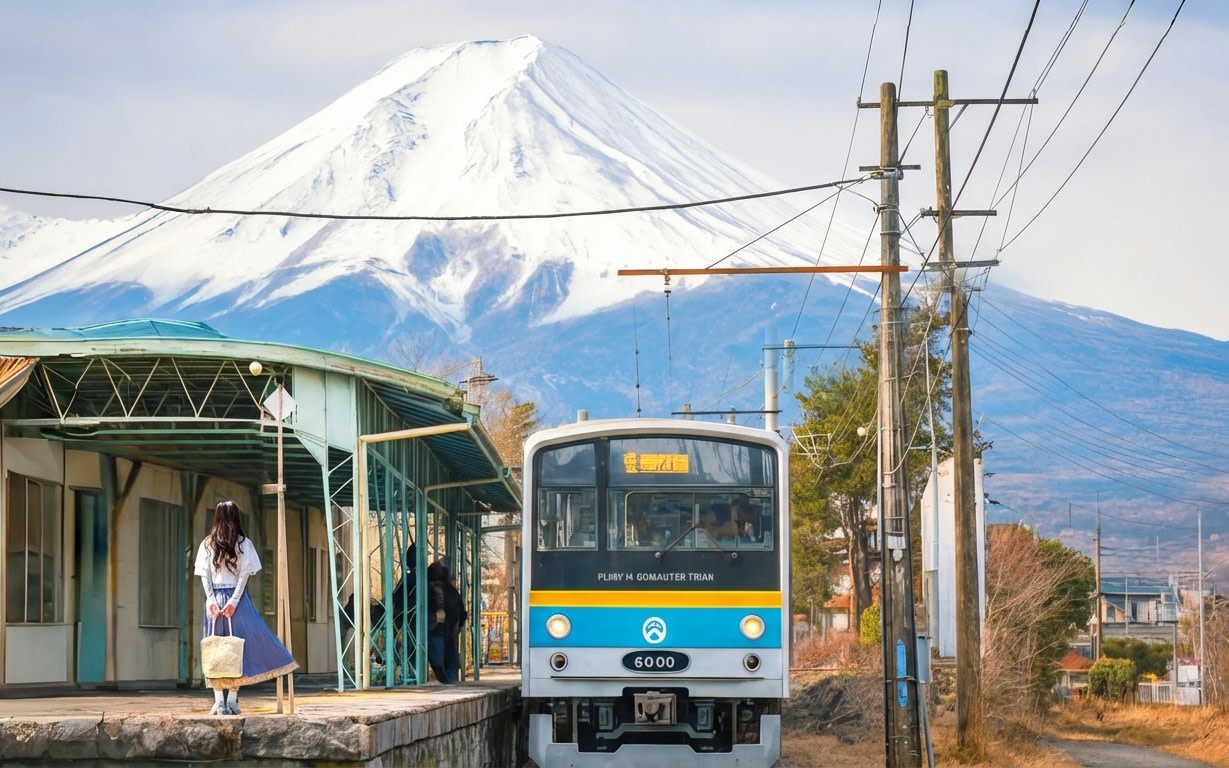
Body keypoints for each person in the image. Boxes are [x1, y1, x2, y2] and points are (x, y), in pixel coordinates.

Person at [194, 500, 298, 715]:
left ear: (217, 517)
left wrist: (212, 600)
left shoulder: (207, 544)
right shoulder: (243, 543)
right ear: (236, 517)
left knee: (214, 647)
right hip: (237, 600)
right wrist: (233, 602)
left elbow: (205, 575)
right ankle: (231, 700)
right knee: (236, 649)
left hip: (214, 602)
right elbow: (243, 576)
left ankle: (218, 702)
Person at [440, 559, 468, 683]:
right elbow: (462, 614)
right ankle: (451, 681)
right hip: (451, 629)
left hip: (438, 630)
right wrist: (458, 627)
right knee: (451, 657)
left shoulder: (434, 588)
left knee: (442, 657)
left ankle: (448, 681)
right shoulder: (453, 592)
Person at [426, 561, 449, 683]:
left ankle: (445, 680)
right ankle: (446, 680)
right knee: (439, 658)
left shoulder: (428, 587)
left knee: (437, 659)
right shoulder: (443, 588)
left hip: (433, 626)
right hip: (440, 626)